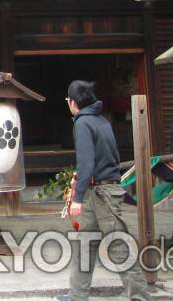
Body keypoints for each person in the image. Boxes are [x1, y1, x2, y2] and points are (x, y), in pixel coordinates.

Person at [58, 80, 154, 301]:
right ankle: (77, 294)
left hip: (100, 192)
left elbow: (86, 162)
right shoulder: (102, 121)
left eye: (67, 101)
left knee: (118, 243)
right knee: (84, 241)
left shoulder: (82, 123)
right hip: (102, 189)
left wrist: (77, 197)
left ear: (73, 102)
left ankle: (139, 295)